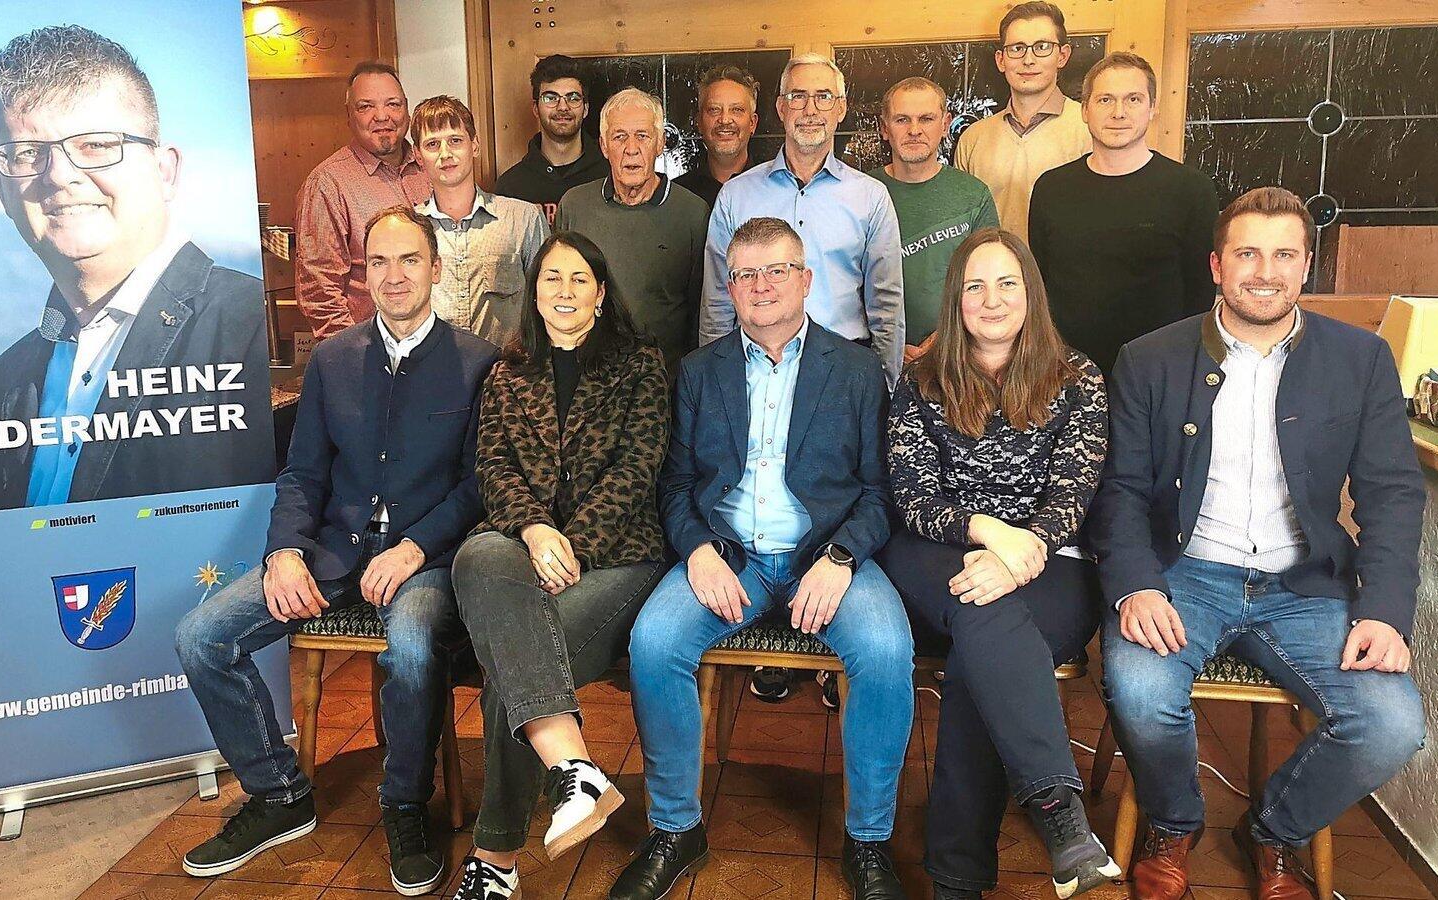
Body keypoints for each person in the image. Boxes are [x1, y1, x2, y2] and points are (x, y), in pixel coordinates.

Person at [1091, 187, 1426, 900]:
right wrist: (1136, 585)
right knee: (1141, 693)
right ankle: (1173, 823)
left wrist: (1385, 610)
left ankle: (1273, 831)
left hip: (1305, 586)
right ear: (1217, 266)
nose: (1265, 272)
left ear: (1306, 266)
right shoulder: (1149, 358)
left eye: (1283, 255)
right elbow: (1118, 491)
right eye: (1247, 253)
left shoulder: (1361, 359)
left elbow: (1393, 494)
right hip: (1184, 575)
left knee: (1391, 725)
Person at [174, 207, 497, 895]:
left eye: (408, 259)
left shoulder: (478, 363)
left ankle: (405, 805)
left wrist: (414, 548)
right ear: (363, 275)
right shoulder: (333, 359)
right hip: (330, 553)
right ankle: (278, 794)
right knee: (201, 636)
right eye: (378, 262)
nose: (394, 275)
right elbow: (303, 474)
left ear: (436, 269)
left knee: (412, 648)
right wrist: (284, 552)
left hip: (424, 562)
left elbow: (478, 486)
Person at [617, 217, 914, 900]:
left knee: (885, 649)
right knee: (654, 642)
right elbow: (675, 485)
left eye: (776, 270)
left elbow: (882, 491)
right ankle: (675, 829)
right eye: (746, 274)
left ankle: (868, 841)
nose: (761, 285)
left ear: (805, 280)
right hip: (731, 556)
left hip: (826, 556)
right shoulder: (699, 371)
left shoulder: (856, 370)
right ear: (729, 287)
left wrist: (841, 557)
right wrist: (697, 550)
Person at [876, 227, 1118, 900]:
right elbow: (912, 496)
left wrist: (1019, 556)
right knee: (985, 617)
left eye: (1007, 283)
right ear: (955, 300)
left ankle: (957, 880)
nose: (991, 299)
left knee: (981, 646)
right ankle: (1059, 811)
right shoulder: (921, 378)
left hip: (1052, 562)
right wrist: (987, 533)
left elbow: (1074, 493)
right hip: (936, 552)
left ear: (1030, 293)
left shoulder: (1078, 377)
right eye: (975, 286)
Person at [448, 232, 671, 900]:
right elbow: (493, 467)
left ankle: (495, 861)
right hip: (524, 547)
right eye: (552, 278)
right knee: (476, 554)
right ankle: (574, 768)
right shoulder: (507, 373)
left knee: (513, 670)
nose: (565, 291)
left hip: (619, 557)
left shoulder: (640, 366)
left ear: (601, 294)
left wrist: (569, 547)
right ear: (535, 292)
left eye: (579, 279)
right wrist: (537, 530)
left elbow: (637, 469)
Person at [0, 24, 271, 512]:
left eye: (95, 145)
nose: (59, 175)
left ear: (165, 171)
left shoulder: (249, 333)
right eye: (27, 153)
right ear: (0, 189)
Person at [702, 54, 905, 387]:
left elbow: (887, 308)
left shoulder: (870, 197)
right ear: (781, 108)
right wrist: (715, 386)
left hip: (845, 373)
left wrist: (884, 388)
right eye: (798, 96)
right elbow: (717, 306)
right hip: (754, 371)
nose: (810, 110)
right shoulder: (736, 196)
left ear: (841, 108)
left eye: (823, 97)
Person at [1027, 52, 1219, 375]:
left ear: (1152, 108)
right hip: (1067, 372)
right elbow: (1041, 283)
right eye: (1105, 100)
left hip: (1159, 371)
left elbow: (1199, 295)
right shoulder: (1050, 189)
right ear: (1085, 110)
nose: (1119, 112)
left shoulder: (1191, 190)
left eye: (1133, 99)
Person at [556, 88, 707, 377]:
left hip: (664, 380)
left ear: (660, 143)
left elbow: (702, 310)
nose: (631, 148)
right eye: (619, 137)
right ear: (603, 146)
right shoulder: (574, 206)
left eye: (643, 136)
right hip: (589, 378)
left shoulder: (692, 212)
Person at [294, 62, 432, 339]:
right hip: (373, 352)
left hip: (439, 345)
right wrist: (357, 355)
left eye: (393, 104)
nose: (382, 116)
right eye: (366, 107)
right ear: (349, 115)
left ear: (406, 110)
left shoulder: (432, 166)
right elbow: (320, 292)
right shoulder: (327, 183)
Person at [410, 95, 549, 349]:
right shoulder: (409, 230)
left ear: (474, 145)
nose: (445, 154)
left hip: (508, 370)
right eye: (432, 144)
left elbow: (547, 303)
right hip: (434, 369)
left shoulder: (523, 219)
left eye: (455, 141)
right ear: (418, 155)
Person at [872, 77, 1000, 353]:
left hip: (956, 352)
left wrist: (945, 338)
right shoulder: (863, 194)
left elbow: (989, 280)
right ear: (884, 128)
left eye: (926, 119)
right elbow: (846, 284)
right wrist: (889, 345)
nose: (914, 130)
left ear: (945, 125)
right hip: (874, 355)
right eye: (902, 120)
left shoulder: (973, 195)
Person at [953, 1, 1090, 240]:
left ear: (1062, 55)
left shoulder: (1089, 128)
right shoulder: (973, 139)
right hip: (992, 264)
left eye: (1042, 47)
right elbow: (962, 227)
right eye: (1017, 48)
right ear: (1001, 60)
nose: (1028, 59)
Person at [494, 54, 611, 225]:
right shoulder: (510, 187)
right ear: (536, 108)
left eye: (573, 98)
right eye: (551, 98)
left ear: (585, 109)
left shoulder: (609, 175)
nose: (563, 107)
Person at [674, 65, 761, 208]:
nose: (725, 120)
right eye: (714, 110)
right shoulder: (677, 196)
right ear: (699, 122)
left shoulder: (774, 191)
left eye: (736, 110)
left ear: (753, 123)